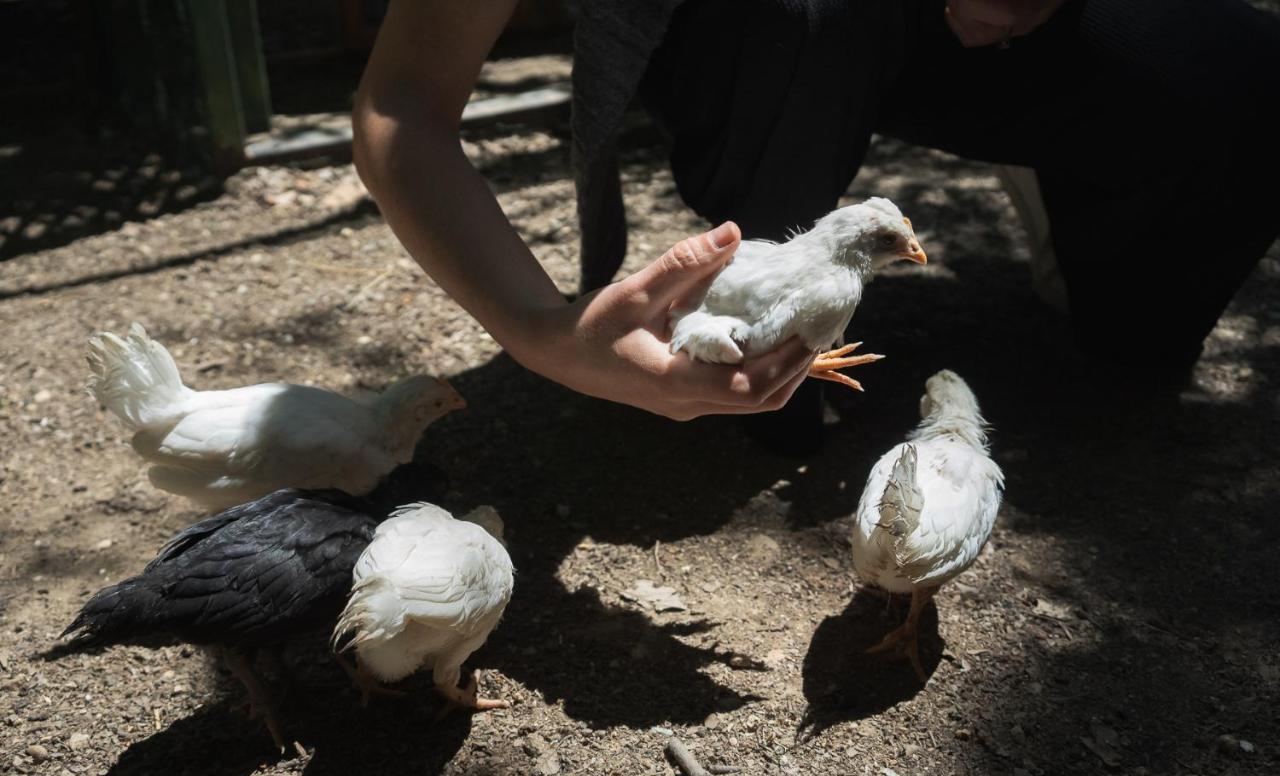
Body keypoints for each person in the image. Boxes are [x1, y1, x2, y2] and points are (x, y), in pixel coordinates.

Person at [352, 0, 1280, 442]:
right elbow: (403, 104)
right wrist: (541, 332)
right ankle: (769, 375)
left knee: (1245, 81)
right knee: (807, 17)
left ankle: (1100, 259)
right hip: (772, 36)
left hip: (988, 33)